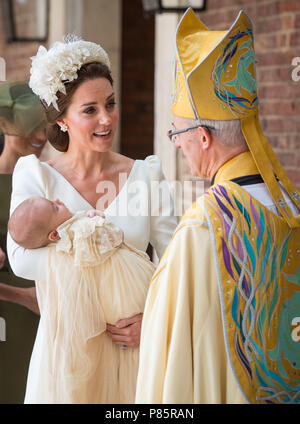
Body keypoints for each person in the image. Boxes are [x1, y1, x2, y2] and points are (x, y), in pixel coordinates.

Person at [136, 8, 300, 404]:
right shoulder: (290, 206)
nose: (176, 142)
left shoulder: (202, 228)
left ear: (203, 137)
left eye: (177, 131)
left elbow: (169, 364)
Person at [7, 35, 178, 404]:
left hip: (132, 352)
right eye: (90, 110)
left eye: (111, 104)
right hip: (64, 357)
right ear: (62, 119)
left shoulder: (146, 175)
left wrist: (154, 320)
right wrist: (90, 244)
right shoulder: (35, 176)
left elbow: (175, 261)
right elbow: (21, 259)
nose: (106, 118)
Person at [8, 196, 155, 403]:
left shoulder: (64, 241)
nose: (59, 200)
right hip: (125, 298)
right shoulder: (81, 232)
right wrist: (100, 219)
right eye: (54, 206)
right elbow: (115, 236)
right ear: (54, 234)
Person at [0, 81, 46, 403]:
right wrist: (22, 297)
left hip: (50, 317)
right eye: (30, 127)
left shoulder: (51, 183)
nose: (41, 137)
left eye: (45, 127)